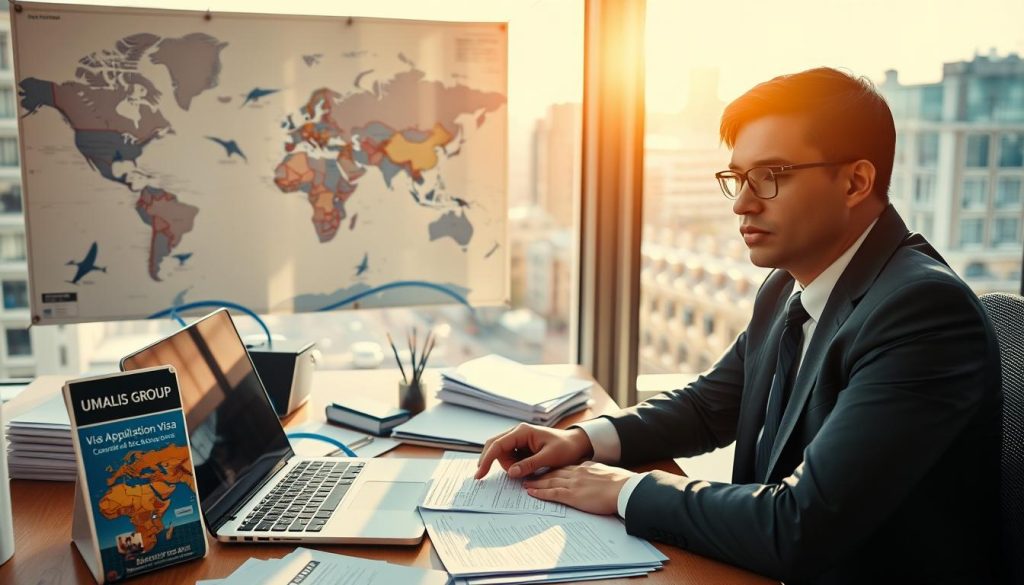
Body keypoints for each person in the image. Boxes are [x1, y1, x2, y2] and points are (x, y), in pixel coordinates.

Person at [475, 67, 1002, 584]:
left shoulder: (923, 311)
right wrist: (582, 440)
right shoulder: (786, 286)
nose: (741, 204)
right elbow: (710, 406)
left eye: (771, 177)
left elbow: (800, 524)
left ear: (855, 182)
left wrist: (620, 490)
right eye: (738, 178)